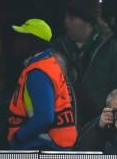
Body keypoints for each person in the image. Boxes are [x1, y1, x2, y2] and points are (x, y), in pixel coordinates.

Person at [52, 0, 117, 124]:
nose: (66, 22)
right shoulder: (58, 49)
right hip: (64, 121)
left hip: (100, 122)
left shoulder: (111, 48)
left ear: (87, 21)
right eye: (66, 17)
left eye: (71, 18)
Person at [7, 19, 77, 150]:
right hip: (50, 148)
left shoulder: (38, 73)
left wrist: (18, 136)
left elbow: (45, 117)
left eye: (22, 38)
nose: (17, 42)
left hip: (44, 149)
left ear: (33, 42)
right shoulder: (47, 66)